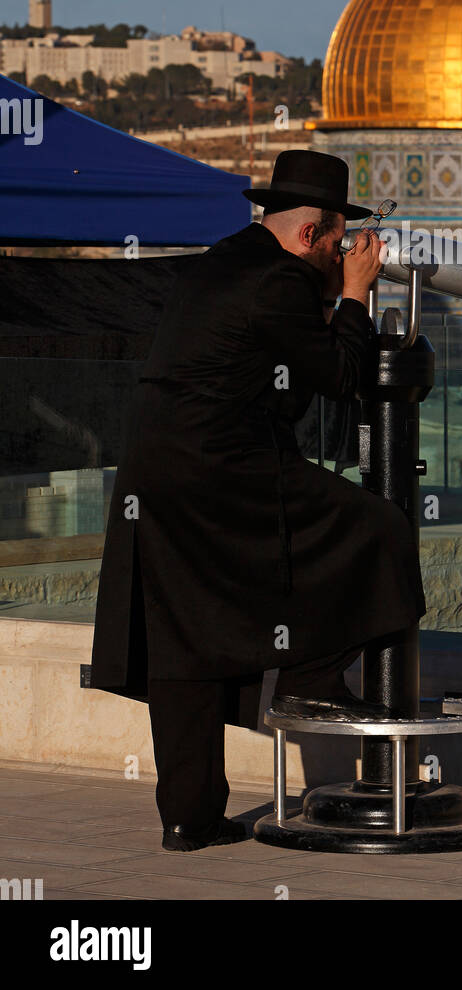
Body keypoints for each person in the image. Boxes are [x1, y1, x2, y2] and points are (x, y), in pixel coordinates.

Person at [89, 150, 426, 852]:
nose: (342, 257)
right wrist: (357, 295)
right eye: (338, 244)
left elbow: (282, 371)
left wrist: (332, 299)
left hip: (157, 476)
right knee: (378, 528)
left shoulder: (226, 259)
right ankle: (315, 678)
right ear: (310, 237)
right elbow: (337, 375)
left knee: (185, 643)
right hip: (225, 470)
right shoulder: (281, 280)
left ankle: (190, 818)